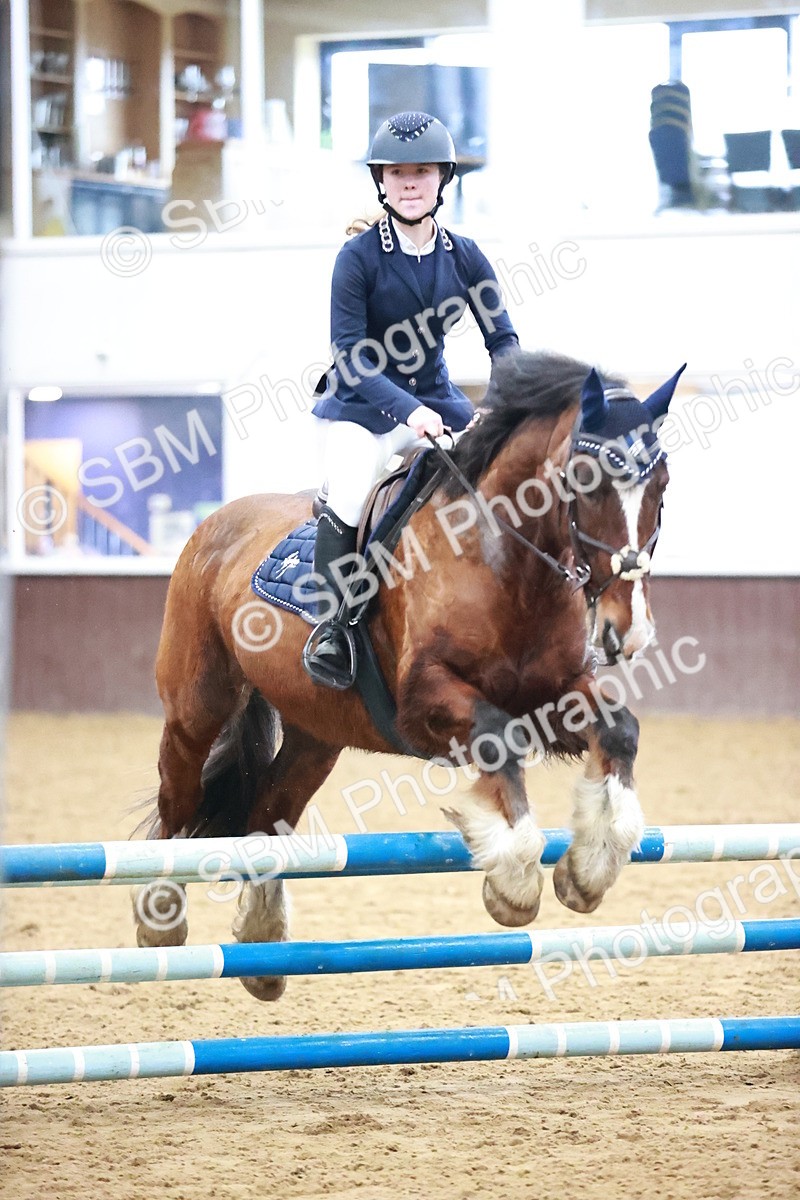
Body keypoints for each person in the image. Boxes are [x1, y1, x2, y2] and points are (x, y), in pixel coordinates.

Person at [303, 110, 519, 689]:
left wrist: (503, 404)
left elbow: (503, 340)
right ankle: (334, 629)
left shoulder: (466, 255)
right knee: (349, 497)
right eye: (397, 172)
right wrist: (409, 412)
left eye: (421, 172)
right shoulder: (357, 259)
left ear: (442, 179)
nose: (409, 182)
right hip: (363, 411)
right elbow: (350, 353)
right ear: (381, 180)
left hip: (440, 402)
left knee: (507, 482)